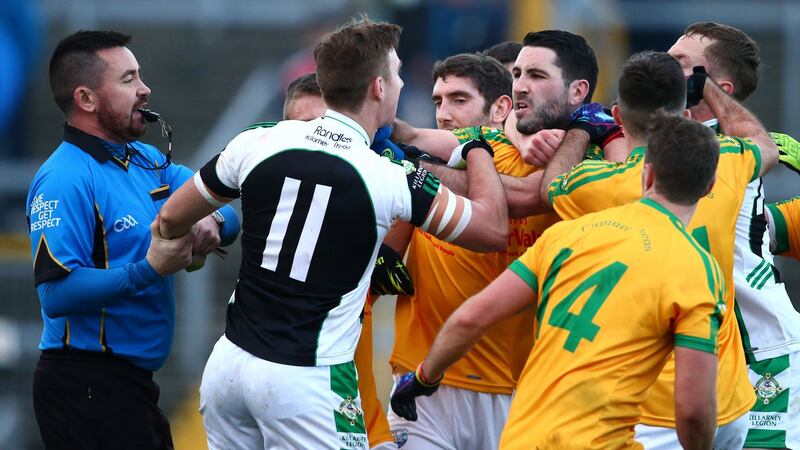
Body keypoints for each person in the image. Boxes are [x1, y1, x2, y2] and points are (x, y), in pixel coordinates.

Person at [156, 16, 508, 450]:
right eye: (396, 74)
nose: (400, 83)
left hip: (228, 366)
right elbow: (492, 229)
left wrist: (179, 249)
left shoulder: (258, 140)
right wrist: (476, 147)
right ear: (378, 87)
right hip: (308, 378)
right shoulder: (391, 176)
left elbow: (171, 218)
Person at [391, 112, 725, 450]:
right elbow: (694, 410)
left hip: (521, 440)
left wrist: (424, 377)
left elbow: (469, 318)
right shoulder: (697, 268)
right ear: (709, 185)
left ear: (647, 174)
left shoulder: (564, 235)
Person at [540, 50, 777, 448]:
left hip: (653, 411)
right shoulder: (724, 162)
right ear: (685, 116)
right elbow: (762, 143)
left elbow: (551, 187)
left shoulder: (596, 185)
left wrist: (582, 130)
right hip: (727, 401)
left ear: (618, 117)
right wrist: (709, 90)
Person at [27, 30, 240, 450]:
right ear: (86, 99)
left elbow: (223, 205)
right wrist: (149, 269)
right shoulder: (64, 178)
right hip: (84, 386)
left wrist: (210, 223)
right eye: (128, 79)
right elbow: (54, 292)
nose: (145, 89)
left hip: (131, 387)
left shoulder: (146, 160)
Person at [385, 49, 564, 449]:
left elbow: (534, 196)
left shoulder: (549, 162)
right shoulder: (417, 163)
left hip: (516, 390)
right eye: (437, 102)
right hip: (421, 386)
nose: (444, 113)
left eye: (459, 100)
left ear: (501, 107)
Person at [666, 23, 800, 449]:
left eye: (679, 65)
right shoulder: (675, 148)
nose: (664, 70)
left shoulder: (729, 152)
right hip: (699, 352)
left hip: (761, 351)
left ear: (715, 89)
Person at [282, 71, 397, 450]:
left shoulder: (383, 187)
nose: (319, 144)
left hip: (365, 427)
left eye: (325, 129)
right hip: (284, 406)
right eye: (304, 129)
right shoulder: (274, 217)